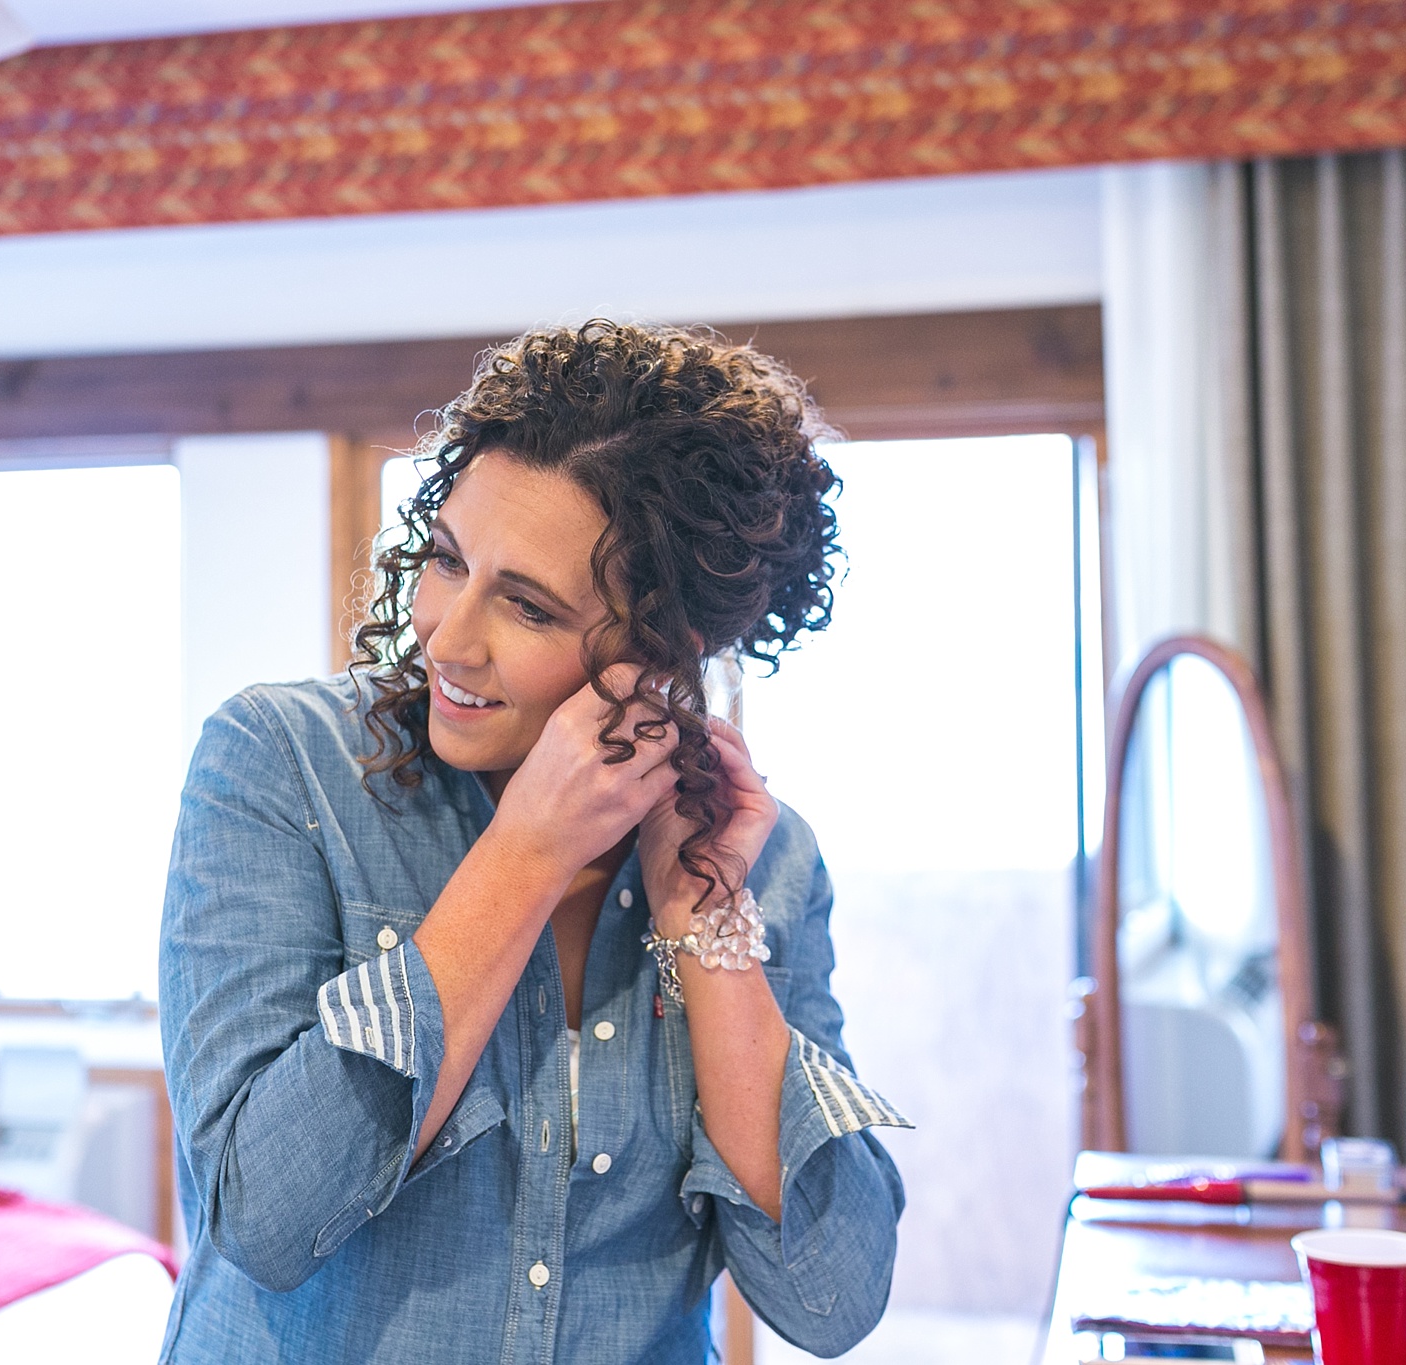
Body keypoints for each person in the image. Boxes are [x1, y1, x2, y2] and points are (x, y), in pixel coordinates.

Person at [157, 321, 906, 1363]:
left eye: (527, 607)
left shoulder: (761, 862)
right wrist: (523, 857)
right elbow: (262, 1219)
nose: (450, 637)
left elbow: (832, 1302)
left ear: (666, 649)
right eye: (445, 560)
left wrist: (703, 925)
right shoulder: (281, 766)